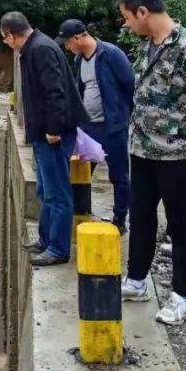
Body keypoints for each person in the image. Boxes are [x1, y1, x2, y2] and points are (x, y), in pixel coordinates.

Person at [116, 0, 186, 326]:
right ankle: (136, 280)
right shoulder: (149, 46)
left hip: (178, 152)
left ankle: (181, 298)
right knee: (142, 216)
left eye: (127, 17)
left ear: (143, 12)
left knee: (180, 226)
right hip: (143, 149)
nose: (126, 25)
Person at [1, 11, 90, 266]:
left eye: (5, 39)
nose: (7, 44)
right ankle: (45, 239)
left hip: (53, 135)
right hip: (43, 134)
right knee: (45, 189)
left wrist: (53, 129)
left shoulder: (40, 49)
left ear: (13, 34)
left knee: (57, 192)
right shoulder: (35, 48)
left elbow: (56, 93)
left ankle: (58, 248)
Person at [56, 19, 135, 233]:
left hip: (112, 126)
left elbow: (129, 84)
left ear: (77, 38)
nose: (66, 47)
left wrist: (122, 115)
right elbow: (81, 88)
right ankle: (81, 215)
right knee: (81, 173)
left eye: (67, 42)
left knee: (118, 174)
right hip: (88, 126)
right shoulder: (80, 59)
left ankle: (120, 219)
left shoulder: (110, 54)